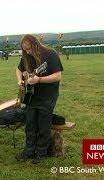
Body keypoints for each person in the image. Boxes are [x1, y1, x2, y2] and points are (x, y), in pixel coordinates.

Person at [15, 34, 63, 164]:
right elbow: (18, 70)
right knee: (30, 125)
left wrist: (39, 79)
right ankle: (29, 151)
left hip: (48, 97)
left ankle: (40, 153)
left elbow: (58, 76)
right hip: (31, 97)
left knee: (43, 126)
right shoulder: (26, 56)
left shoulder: (50, 54)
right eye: (24, 49)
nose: (27, 52)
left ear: (35, 44)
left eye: (29, 48)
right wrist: (20, 81)